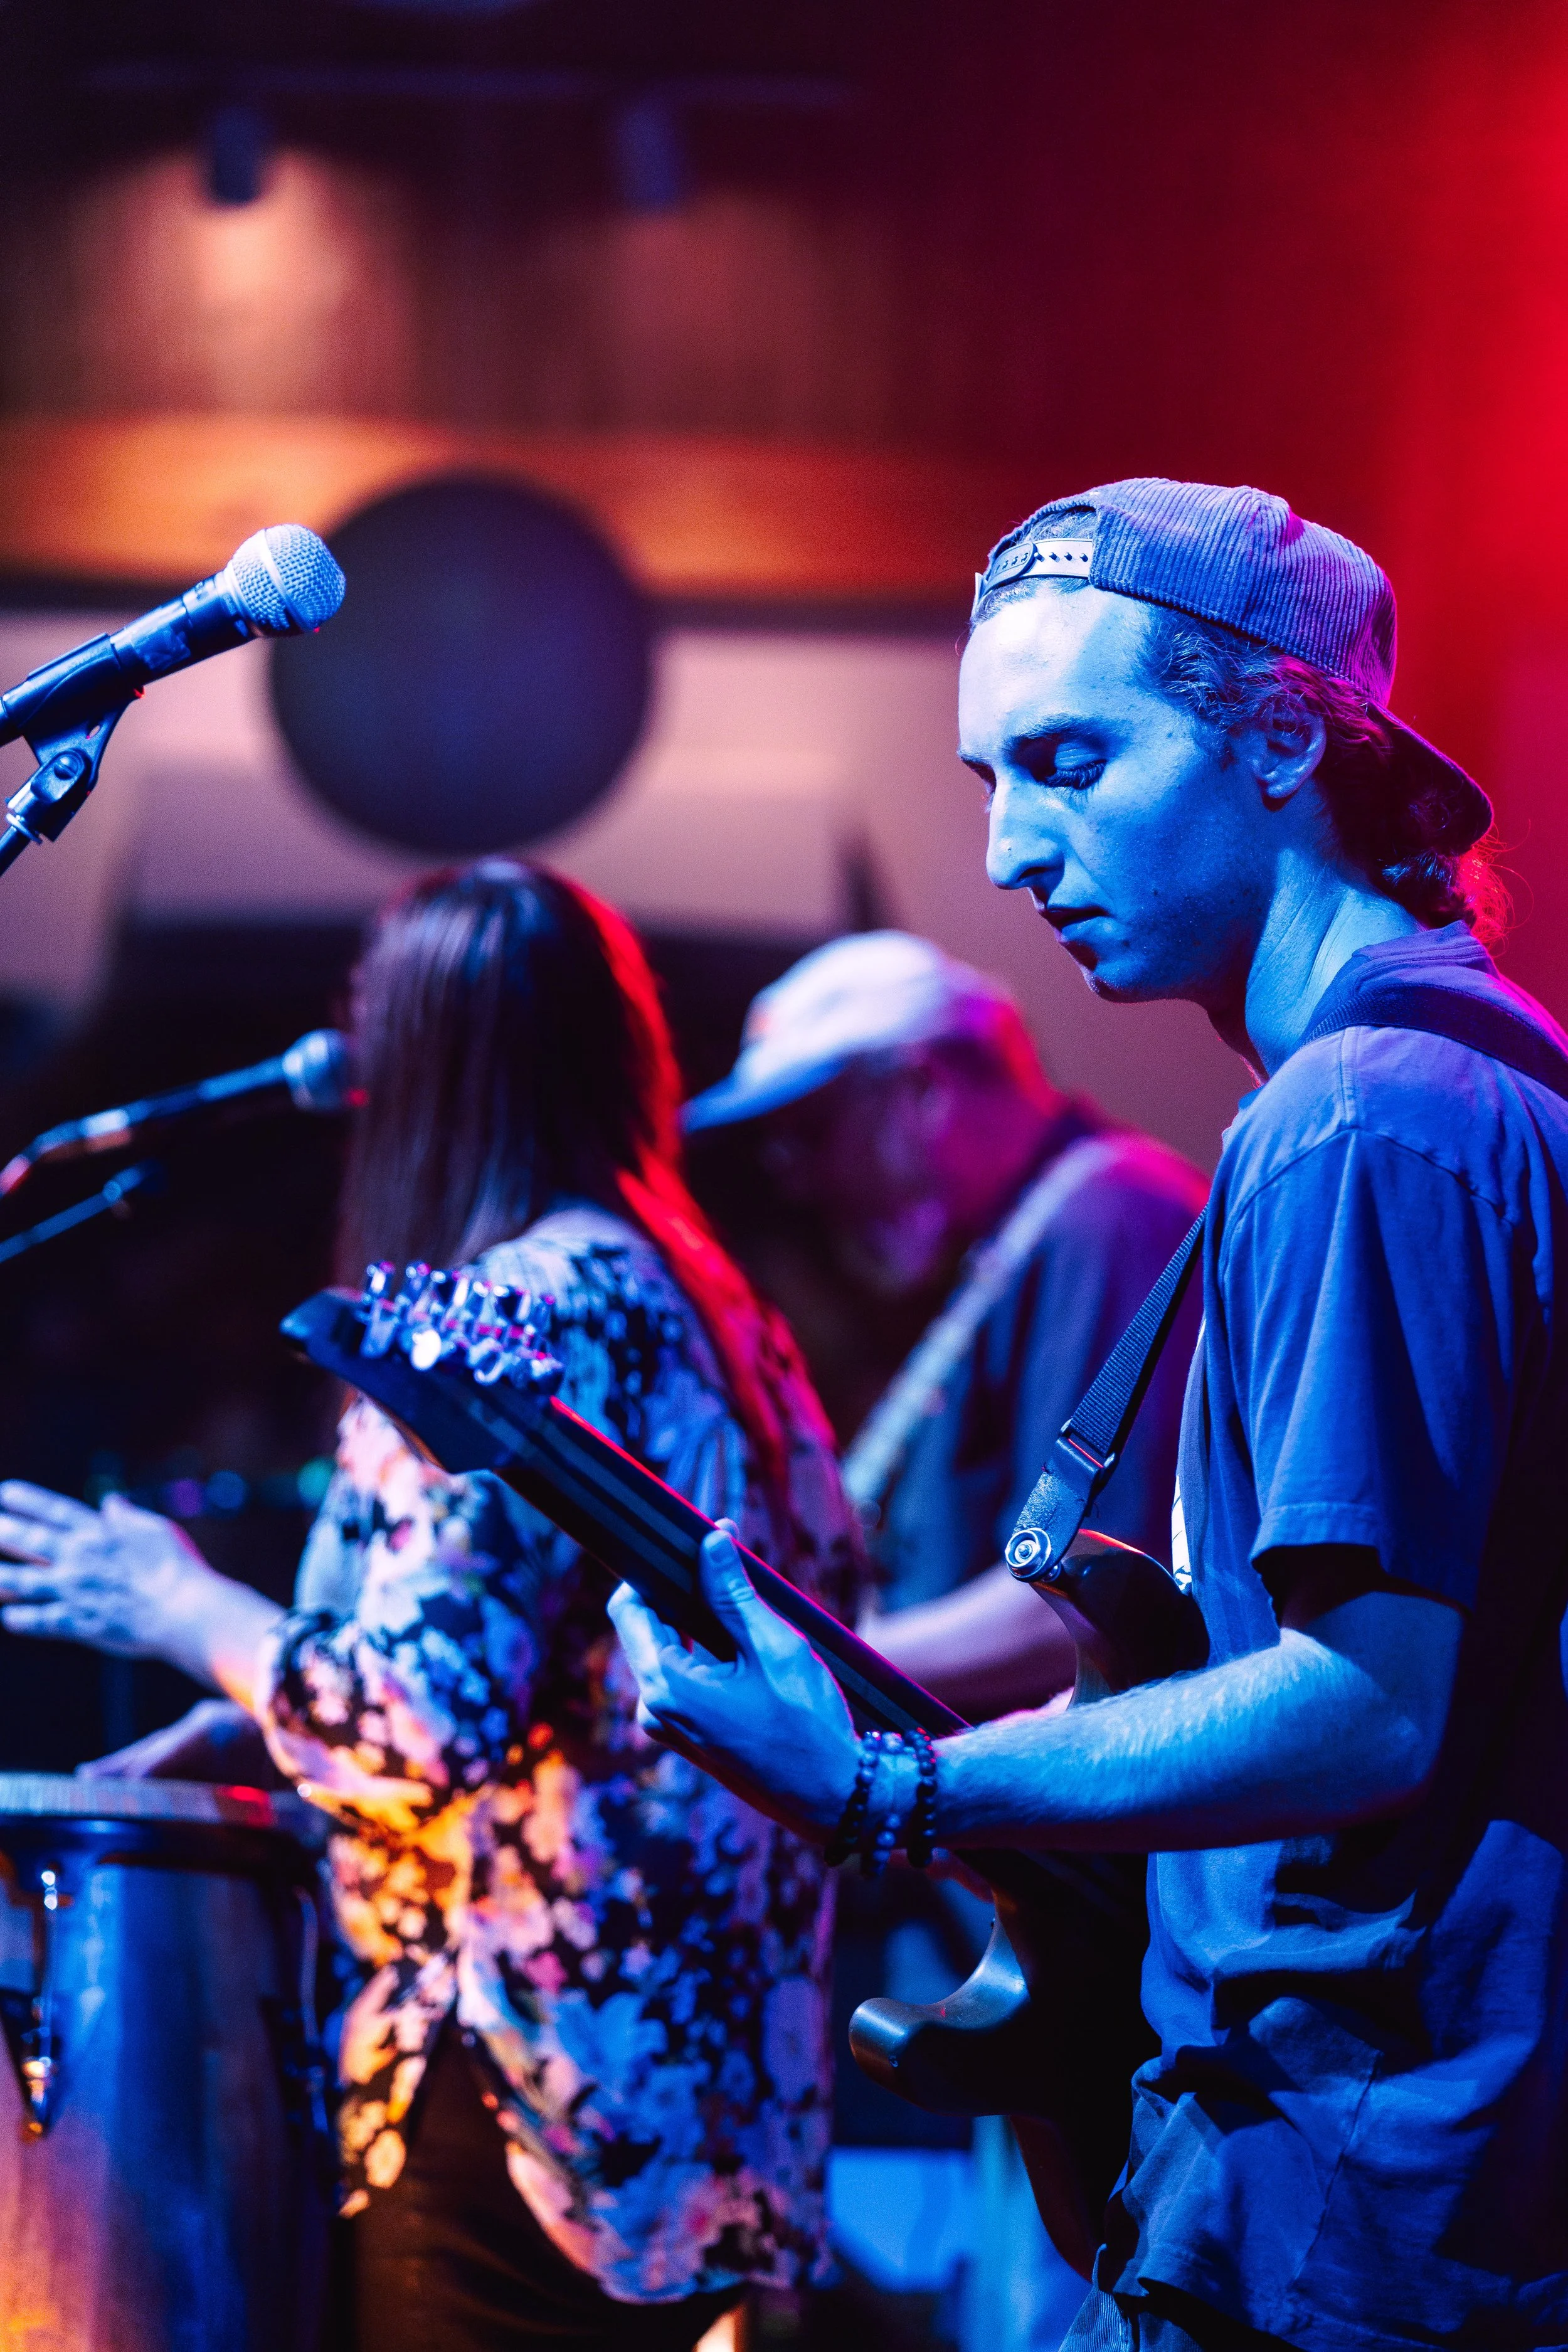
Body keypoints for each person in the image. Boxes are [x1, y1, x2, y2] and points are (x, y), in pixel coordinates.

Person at [606, 479, 1568, 2350]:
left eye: (1067, 759)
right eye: (988, 778)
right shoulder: (1431, 1087)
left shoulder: (1361, 1114)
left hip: (1359, 2193)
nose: (1004, 850)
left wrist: (898, 1788)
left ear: (1279, 734)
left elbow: (1362, 1702)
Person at [0, 860, 863, 2352]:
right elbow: (576, 1674)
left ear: (418, 1062)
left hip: (524, 2088)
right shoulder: (712, 1307)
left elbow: (414, 1726)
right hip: (695, 2093)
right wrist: (252, 1712)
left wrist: (178, 1603)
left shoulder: (511, 1310)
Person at [685, 929, 1207, 1716]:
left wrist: (800, 1657)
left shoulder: (1110, 1218)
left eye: (812, 1133)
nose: (796, 1180)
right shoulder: (1024, 1236)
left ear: (920, 1090)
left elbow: (1091, 1591)